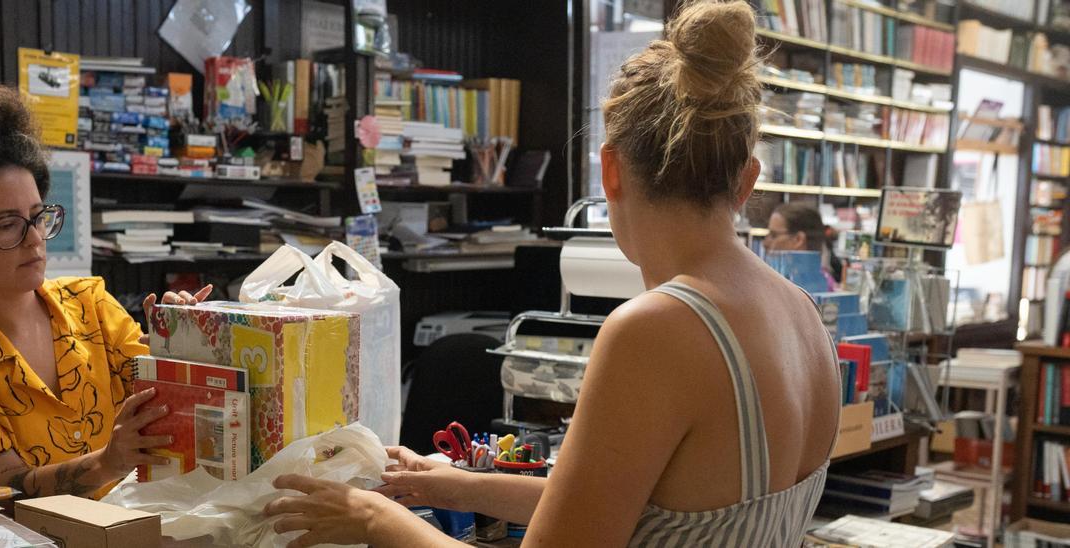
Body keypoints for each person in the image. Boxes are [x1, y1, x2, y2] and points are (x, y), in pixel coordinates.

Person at [261, 1, 841, 546]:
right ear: (747, 180)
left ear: (610, 172)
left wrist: (373, 517)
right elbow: (614, 506)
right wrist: (445, 482)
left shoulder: (658, 329)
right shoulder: (804, 317)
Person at [0, 83, 211, 499]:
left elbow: (164, 404)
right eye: (7, 224)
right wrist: (106, 462)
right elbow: (1, 487)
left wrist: (185, 342)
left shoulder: (91, 304)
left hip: (138, 523)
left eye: (38, 216)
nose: (35, 239)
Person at [764, 201, 842, 289]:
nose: (765, 243)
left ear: (798, 240)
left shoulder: (788, 286)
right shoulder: (824, 283)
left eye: (774, 235)